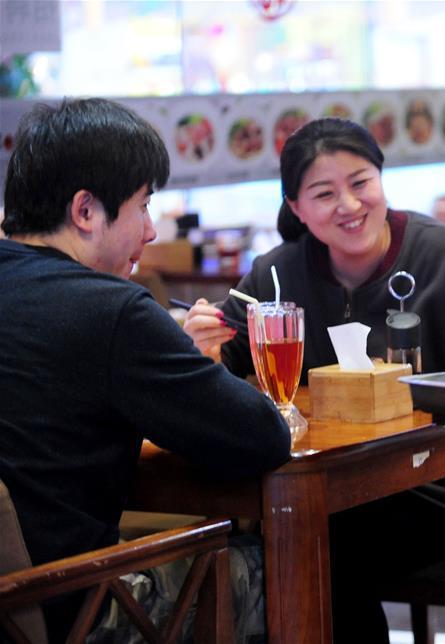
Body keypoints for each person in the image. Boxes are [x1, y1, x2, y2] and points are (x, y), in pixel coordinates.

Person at [182, 117, 445, 642]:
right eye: (324, 194)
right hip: (336, 487)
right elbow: (219, 377)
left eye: (360, 182)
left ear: (381, 178)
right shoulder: (276, 277)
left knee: (318, 539)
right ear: (296, 207)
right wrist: (201, 350)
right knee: (285, 534)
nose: (348, 205)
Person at [0, 98, 292, 642]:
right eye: (143, 205)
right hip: (74, 612)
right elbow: (263, 437)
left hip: (15, 604)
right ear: (85, 210)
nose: (152, 230)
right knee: (304, 561)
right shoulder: (110, 309)